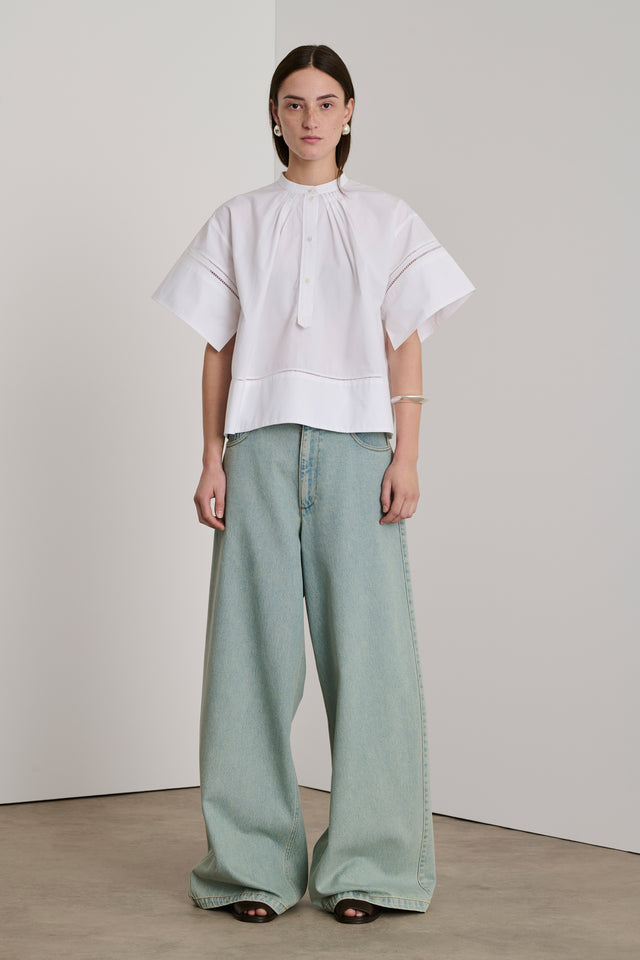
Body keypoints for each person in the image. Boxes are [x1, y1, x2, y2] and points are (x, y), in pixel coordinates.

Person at [151, 44, 475, 925]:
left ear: (350, 112)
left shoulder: (386, 218)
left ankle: (370, 866)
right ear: (273, 114)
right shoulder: (239, 218)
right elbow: (217, 347)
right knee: (248, 663)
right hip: (256, 448)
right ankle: (250, 867)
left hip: (359, 448)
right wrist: (212, 456)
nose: (309, 119)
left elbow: (405, 344)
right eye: (293, 103)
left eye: (326, 102)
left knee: (371, 660)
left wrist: (407, 455)